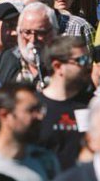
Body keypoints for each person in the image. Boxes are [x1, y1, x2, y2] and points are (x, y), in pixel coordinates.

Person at [37, 36, 94, 170]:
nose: (88, 66)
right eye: (82, 60)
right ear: (58, 66)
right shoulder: (35, 107)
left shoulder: (92, 104)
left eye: (89, 60)